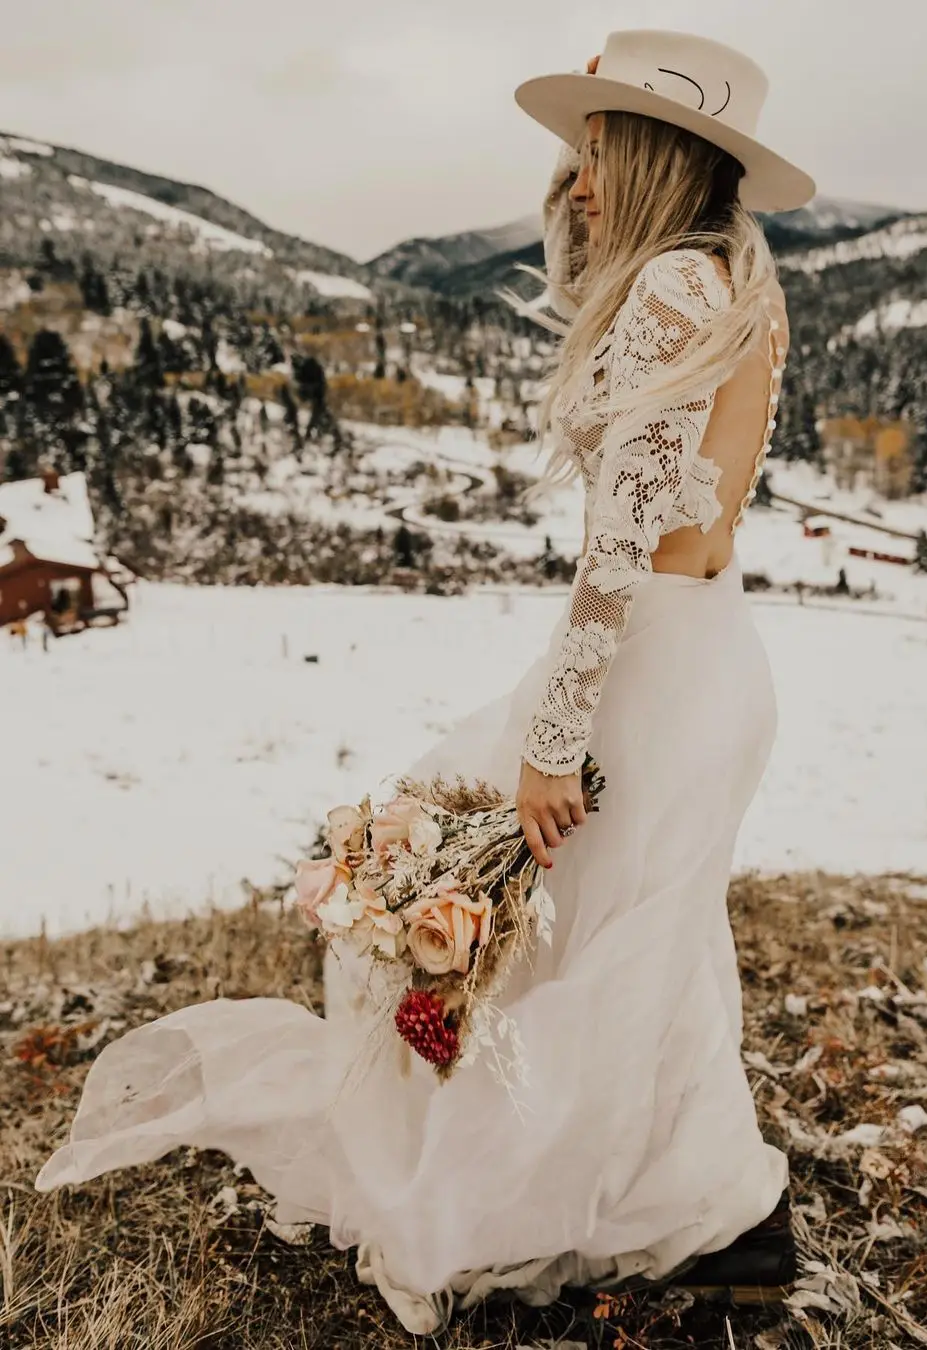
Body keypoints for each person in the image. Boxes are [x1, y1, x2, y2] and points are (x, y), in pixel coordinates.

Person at [35, 28, 816, 1337]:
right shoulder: (743, 277)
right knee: (647, 948)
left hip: (648, 664)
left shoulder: (672, 290)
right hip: (716, 655)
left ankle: (530, 1199)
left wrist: (555, 736)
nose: (575, 184)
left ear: (663, 159)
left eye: (601, 153)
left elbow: (619, 543)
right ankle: (722, 1214)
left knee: (552, 938)